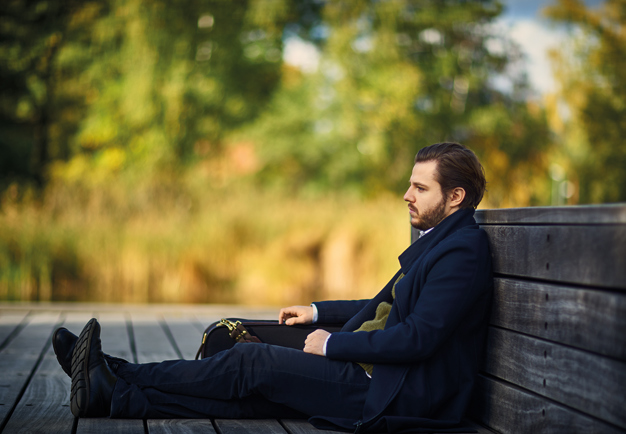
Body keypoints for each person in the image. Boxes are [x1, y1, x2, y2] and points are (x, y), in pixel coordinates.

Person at [53, 142, 492, 433]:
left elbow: (420, 337)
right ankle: (114, 395)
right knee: (248, 392)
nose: (406, 195)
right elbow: (385, 306)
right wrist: (318, 314)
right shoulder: (443, 241)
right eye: (409, 184)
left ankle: (116, 371)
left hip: (392, 392)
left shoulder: (461, 252)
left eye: (419, 187)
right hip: (373, 372)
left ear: (454, 197)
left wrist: (333, 346)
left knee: (251, 362)